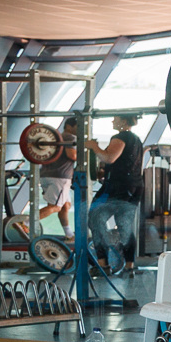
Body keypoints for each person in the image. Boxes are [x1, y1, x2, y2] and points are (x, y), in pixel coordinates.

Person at [85, 114, 144, 276]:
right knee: (125, 225)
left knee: (95, 219)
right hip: (134, 187)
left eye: (115, 119)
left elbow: (109, 158)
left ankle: (103, 265)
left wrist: (93, 146)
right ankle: (129, 267)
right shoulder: (136, 140)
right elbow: (124, 163)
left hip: (117, 188)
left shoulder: (120, 137)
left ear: (124, 122)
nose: (112, 121)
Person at [38, 117, 78, 240]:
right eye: (78, 126)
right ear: (69, 126)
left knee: (65, 205)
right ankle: (26, 222)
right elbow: (72, 155)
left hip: (46, 174)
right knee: (55, 206)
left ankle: (69, 234)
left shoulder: (55, 137)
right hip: (60, 177)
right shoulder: (69, 137)